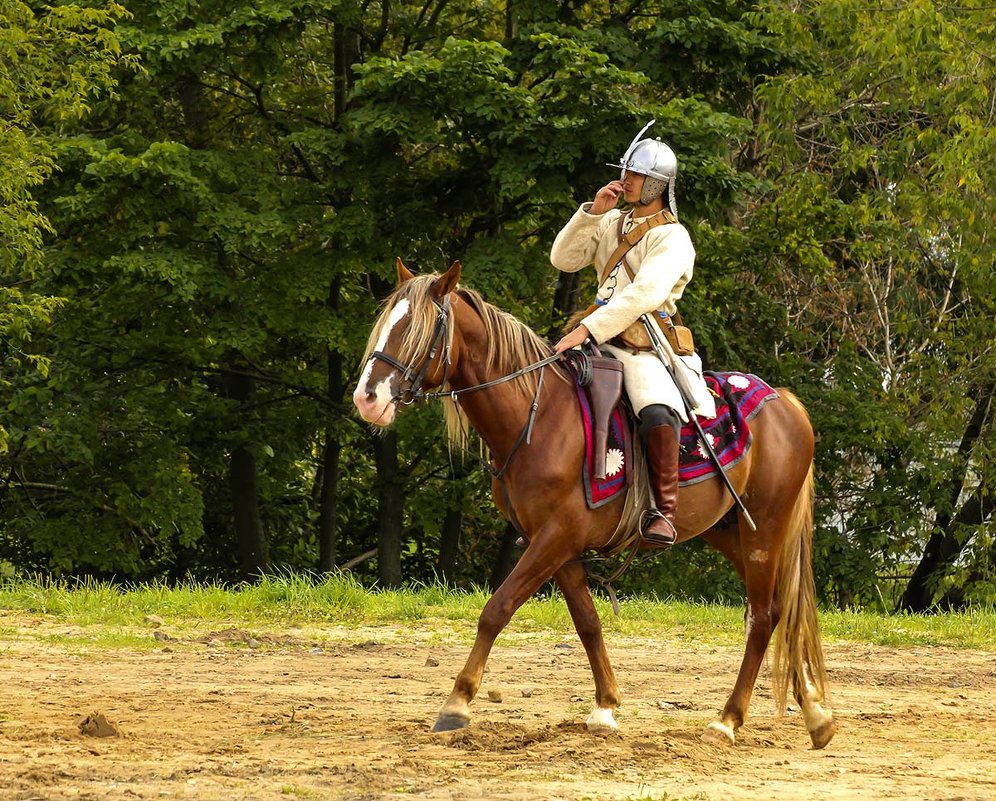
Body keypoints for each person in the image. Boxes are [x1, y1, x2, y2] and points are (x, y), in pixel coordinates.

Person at [550, 121, 716, 546]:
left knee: (656, 408)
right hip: (596, 335)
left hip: (644, 343)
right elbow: (564, 260)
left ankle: (664, 511)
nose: (626, 180)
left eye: (636, 175)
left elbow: (645, 294)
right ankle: (555, 501)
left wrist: (588, 327)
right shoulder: (611, 223)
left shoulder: (673, 236)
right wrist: (592, 212)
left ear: (656, 185)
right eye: (625, 171)